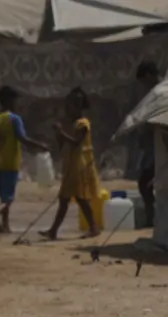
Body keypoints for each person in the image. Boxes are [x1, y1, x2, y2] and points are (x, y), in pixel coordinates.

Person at [40, 87, 101, 240]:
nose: (67, 110)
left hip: (80, 166)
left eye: (70, 107)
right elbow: (65, 145)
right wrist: (59, 135)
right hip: (71, 166)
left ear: (77, 107)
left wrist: (61, 133)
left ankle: (91, 227)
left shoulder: (83, 124)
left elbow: (76, 142)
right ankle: (55, 230)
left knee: (75, 198)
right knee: (70, 198)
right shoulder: (73, 124)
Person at [0, 85, 48, 234]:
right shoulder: (15, 119)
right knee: (9, 198)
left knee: (3, 194)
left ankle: (5, 226)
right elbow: (22, 138)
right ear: (9, 101)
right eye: (15, 101)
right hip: (11, 162)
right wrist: (40, 145)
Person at [135, 61, 162, 224]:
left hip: (159, 147)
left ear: (149, 76)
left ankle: (152, 217)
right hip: (150, 148)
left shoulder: (161, 92)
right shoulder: (153, 93)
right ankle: (151, 216)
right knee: (145, 183)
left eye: (144, 81)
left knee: (145, 183)